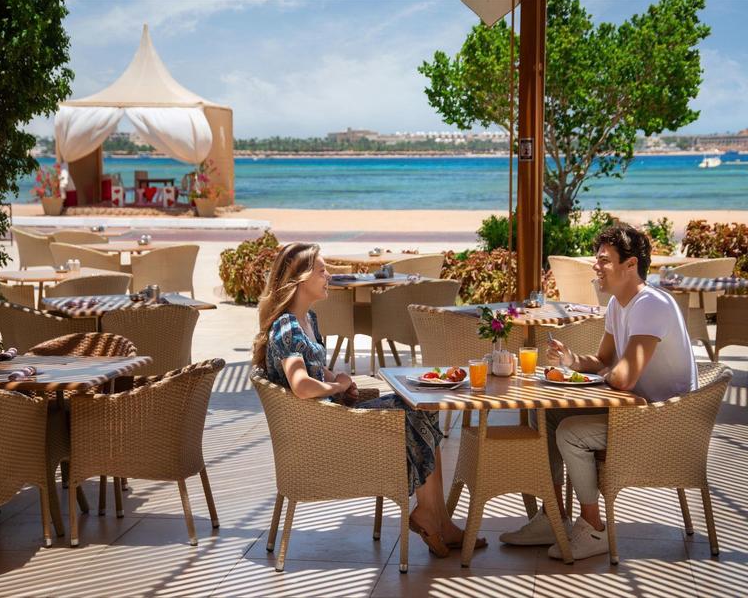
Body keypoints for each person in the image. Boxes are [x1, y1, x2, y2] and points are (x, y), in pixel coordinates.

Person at [252, 242, 486, 557]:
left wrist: (335, 378)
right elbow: (301, 385)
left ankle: (438, 518)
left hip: (329, 418)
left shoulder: (308, 320)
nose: (329, 276)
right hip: (325, 431)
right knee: (413, 408)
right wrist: (336, 388)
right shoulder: (288, 327)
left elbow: (314, 370)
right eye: (322, 271)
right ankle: (432, 516)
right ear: (300, 278)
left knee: (422, 407)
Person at [500, 223, 697, 560]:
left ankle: (593, 527)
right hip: (637, 410)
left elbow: (623, 378)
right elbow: (604, 362)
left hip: (666, 421)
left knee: (571, 432)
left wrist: (606, 372)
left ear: (631, 265)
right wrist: (572, 360)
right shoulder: (619, 305)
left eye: (604, 260)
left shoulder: (650, 304)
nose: (595, 266)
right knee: (545, 412)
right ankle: (552, 516)